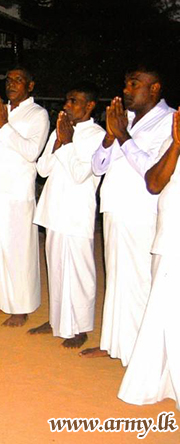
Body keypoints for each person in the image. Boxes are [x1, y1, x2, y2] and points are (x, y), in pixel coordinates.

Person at [81, 65, 174, 364]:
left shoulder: (169, 121)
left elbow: (154, 172)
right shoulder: (125, 120)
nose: (126, 90)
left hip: (141, 212)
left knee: (138, 283)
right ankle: (115, 344)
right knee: (118, 281)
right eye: (126, 83)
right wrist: (110, 138)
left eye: (134, 84)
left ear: (154, 88)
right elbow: (97, 167)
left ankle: (139, 355)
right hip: (114, 208)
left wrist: (123, 137)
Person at [0, 67, 49, 327]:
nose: (11, 84)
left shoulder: (37, 114)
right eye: (9, 80)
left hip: (16, 192)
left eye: (18, 80)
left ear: (30, 85)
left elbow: (31, 151)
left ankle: (21, 306)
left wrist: (3, 126)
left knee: (18, 251)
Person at [29, 83, 105, 348]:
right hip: (54, 211)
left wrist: (68, 142)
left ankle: (81, 327)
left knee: (80, 273)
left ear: (90, 105)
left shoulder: (97, 135)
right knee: (57, 269)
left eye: (74, 101)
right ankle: (56, 320)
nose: (66, 106)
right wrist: (59, 141)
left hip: (76, 214)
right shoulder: (61, 130)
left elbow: (81, 173)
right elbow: (42, 169)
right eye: (67, 100)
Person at [118, 109, 180, 409]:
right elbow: (154, 182)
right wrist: (176, 145)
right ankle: (157, 383)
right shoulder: (174, 139)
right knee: (163, 317)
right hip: (167, 236)